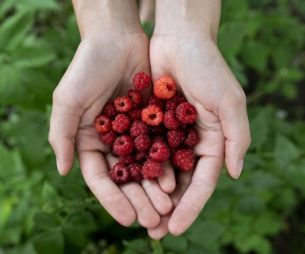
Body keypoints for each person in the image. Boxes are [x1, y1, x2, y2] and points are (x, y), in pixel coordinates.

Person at [48, 0, 251, 240]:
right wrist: (106, 30)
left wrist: (187, 28)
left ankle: (153, 10)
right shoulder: (138, 133)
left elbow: (157, 140)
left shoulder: (160, 129)